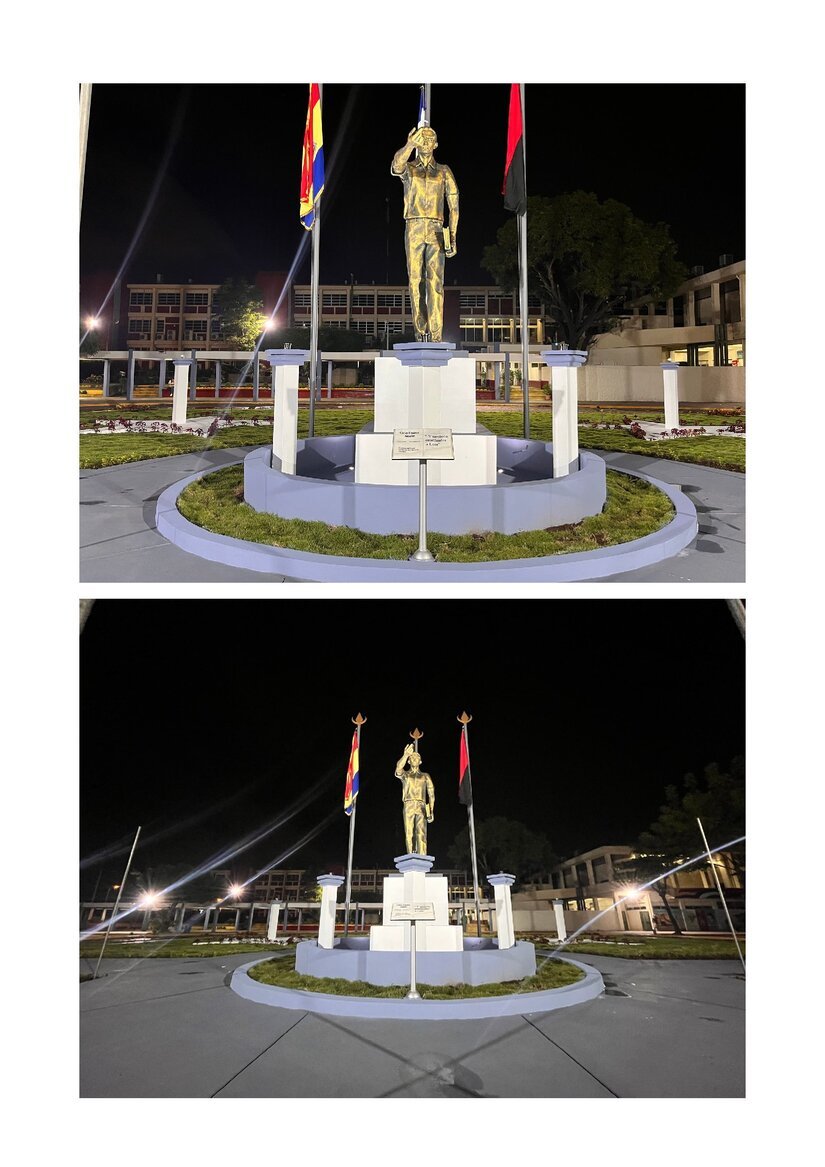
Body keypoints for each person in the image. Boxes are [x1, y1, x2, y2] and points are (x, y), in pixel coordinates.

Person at [391, 125, 459, 343]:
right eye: (423, 140)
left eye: (430, 140)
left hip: (437, 228)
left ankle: (436, 335)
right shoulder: (410, 169)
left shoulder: (444, 171)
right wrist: (410, 143)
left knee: (436, 283)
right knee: (415, 281)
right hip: (414, 226)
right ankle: (421, 332)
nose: (427, 144)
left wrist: (453, 236)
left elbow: (454, 205)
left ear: (436, 144)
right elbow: (396, 165)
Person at [394, 742, 436, 855]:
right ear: (409, 761)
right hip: (409, 804)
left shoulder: (425, 776)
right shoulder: (406, 775)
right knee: (409, 832)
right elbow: (398, 768)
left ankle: (422, 856)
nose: (414, 759)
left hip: (421, 805)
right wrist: (406, 755)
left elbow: (431, 794)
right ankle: (410, 856)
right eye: (412, 757)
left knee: (421, 832)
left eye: (417, 757)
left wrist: (431, 810)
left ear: (420, 761)